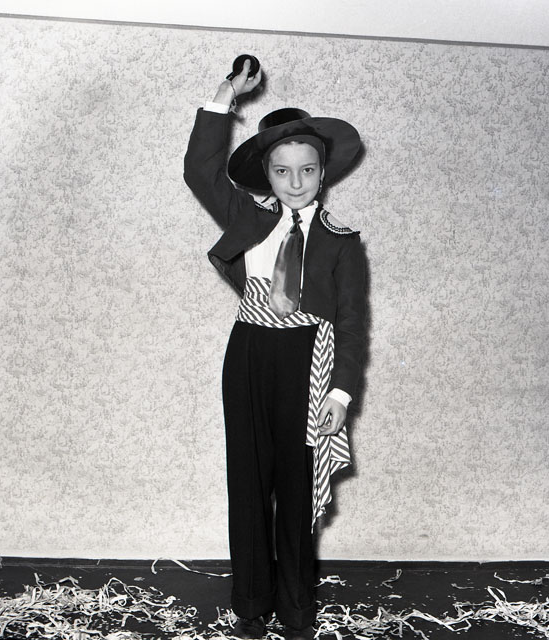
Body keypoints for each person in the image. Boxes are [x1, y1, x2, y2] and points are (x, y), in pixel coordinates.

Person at [184, 59, 366, 640]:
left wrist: (341, 392)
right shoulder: (245, 215)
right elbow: (199, 171)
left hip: (308, 360)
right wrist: (224, 97)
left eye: (307, 169)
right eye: (282, 170)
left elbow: (353, 325)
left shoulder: (342, 243)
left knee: (295, 482)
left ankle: (296, 608)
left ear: (323, 172)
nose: (295, 181)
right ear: (265, 174)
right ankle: (250, 603)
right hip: (249, 353)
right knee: (248, 480)